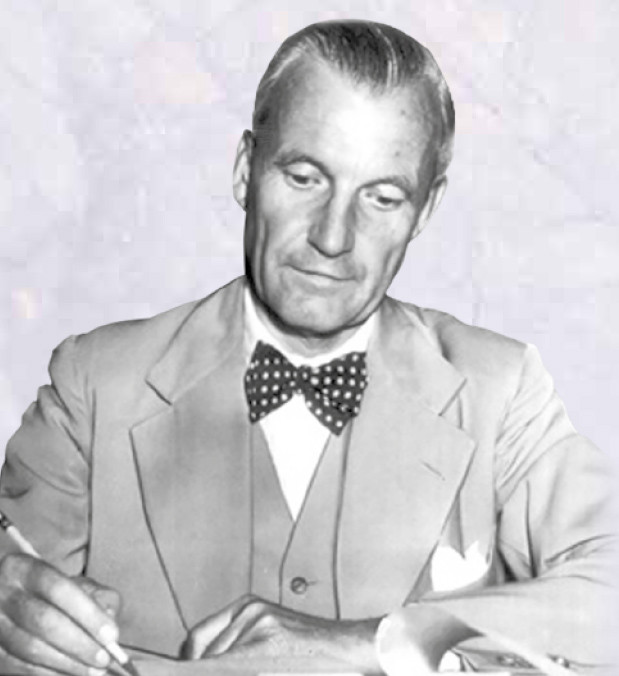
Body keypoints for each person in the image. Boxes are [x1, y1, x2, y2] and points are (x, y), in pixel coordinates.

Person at [0, 19, 616, 676]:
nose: (332, 236)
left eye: (382, 198)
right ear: (246, 171)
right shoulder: (95, 384)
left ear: (424, 212)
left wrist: (380, 643)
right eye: (303, 178)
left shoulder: (500, 391)